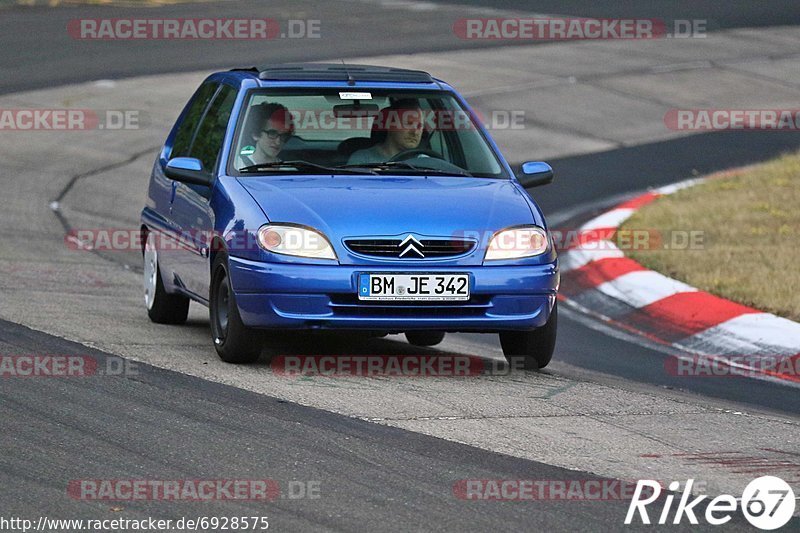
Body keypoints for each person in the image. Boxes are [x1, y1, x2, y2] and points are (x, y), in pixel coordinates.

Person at [347, 99, 425, 165]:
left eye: (419, 126)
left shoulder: (426, 163)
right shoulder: (362, 160)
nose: (415, 132)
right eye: (408, 124)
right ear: (389, 124)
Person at [237, 102, 294, 168]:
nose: (278, 142)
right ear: (255, 134)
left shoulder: (290, 171)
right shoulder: (236, 167)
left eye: (283, 135)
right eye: (272, 133)